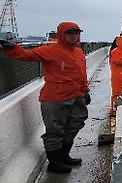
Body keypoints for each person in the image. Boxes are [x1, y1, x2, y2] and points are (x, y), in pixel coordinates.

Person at [0, 22, 90, 173]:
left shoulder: (79, 52)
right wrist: (12, 48)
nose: (74, 35)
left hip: (77, 96)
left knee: (75, 124)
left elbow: (82, 74)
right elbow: (26, 55)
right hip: (55, 98)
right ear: (62, 34)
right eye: (70, 33)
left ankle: (64, 155)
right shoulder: (50, 50)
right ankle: (54, 163)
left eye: (77, 32)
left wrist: (85, 91)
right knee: (54, 130)